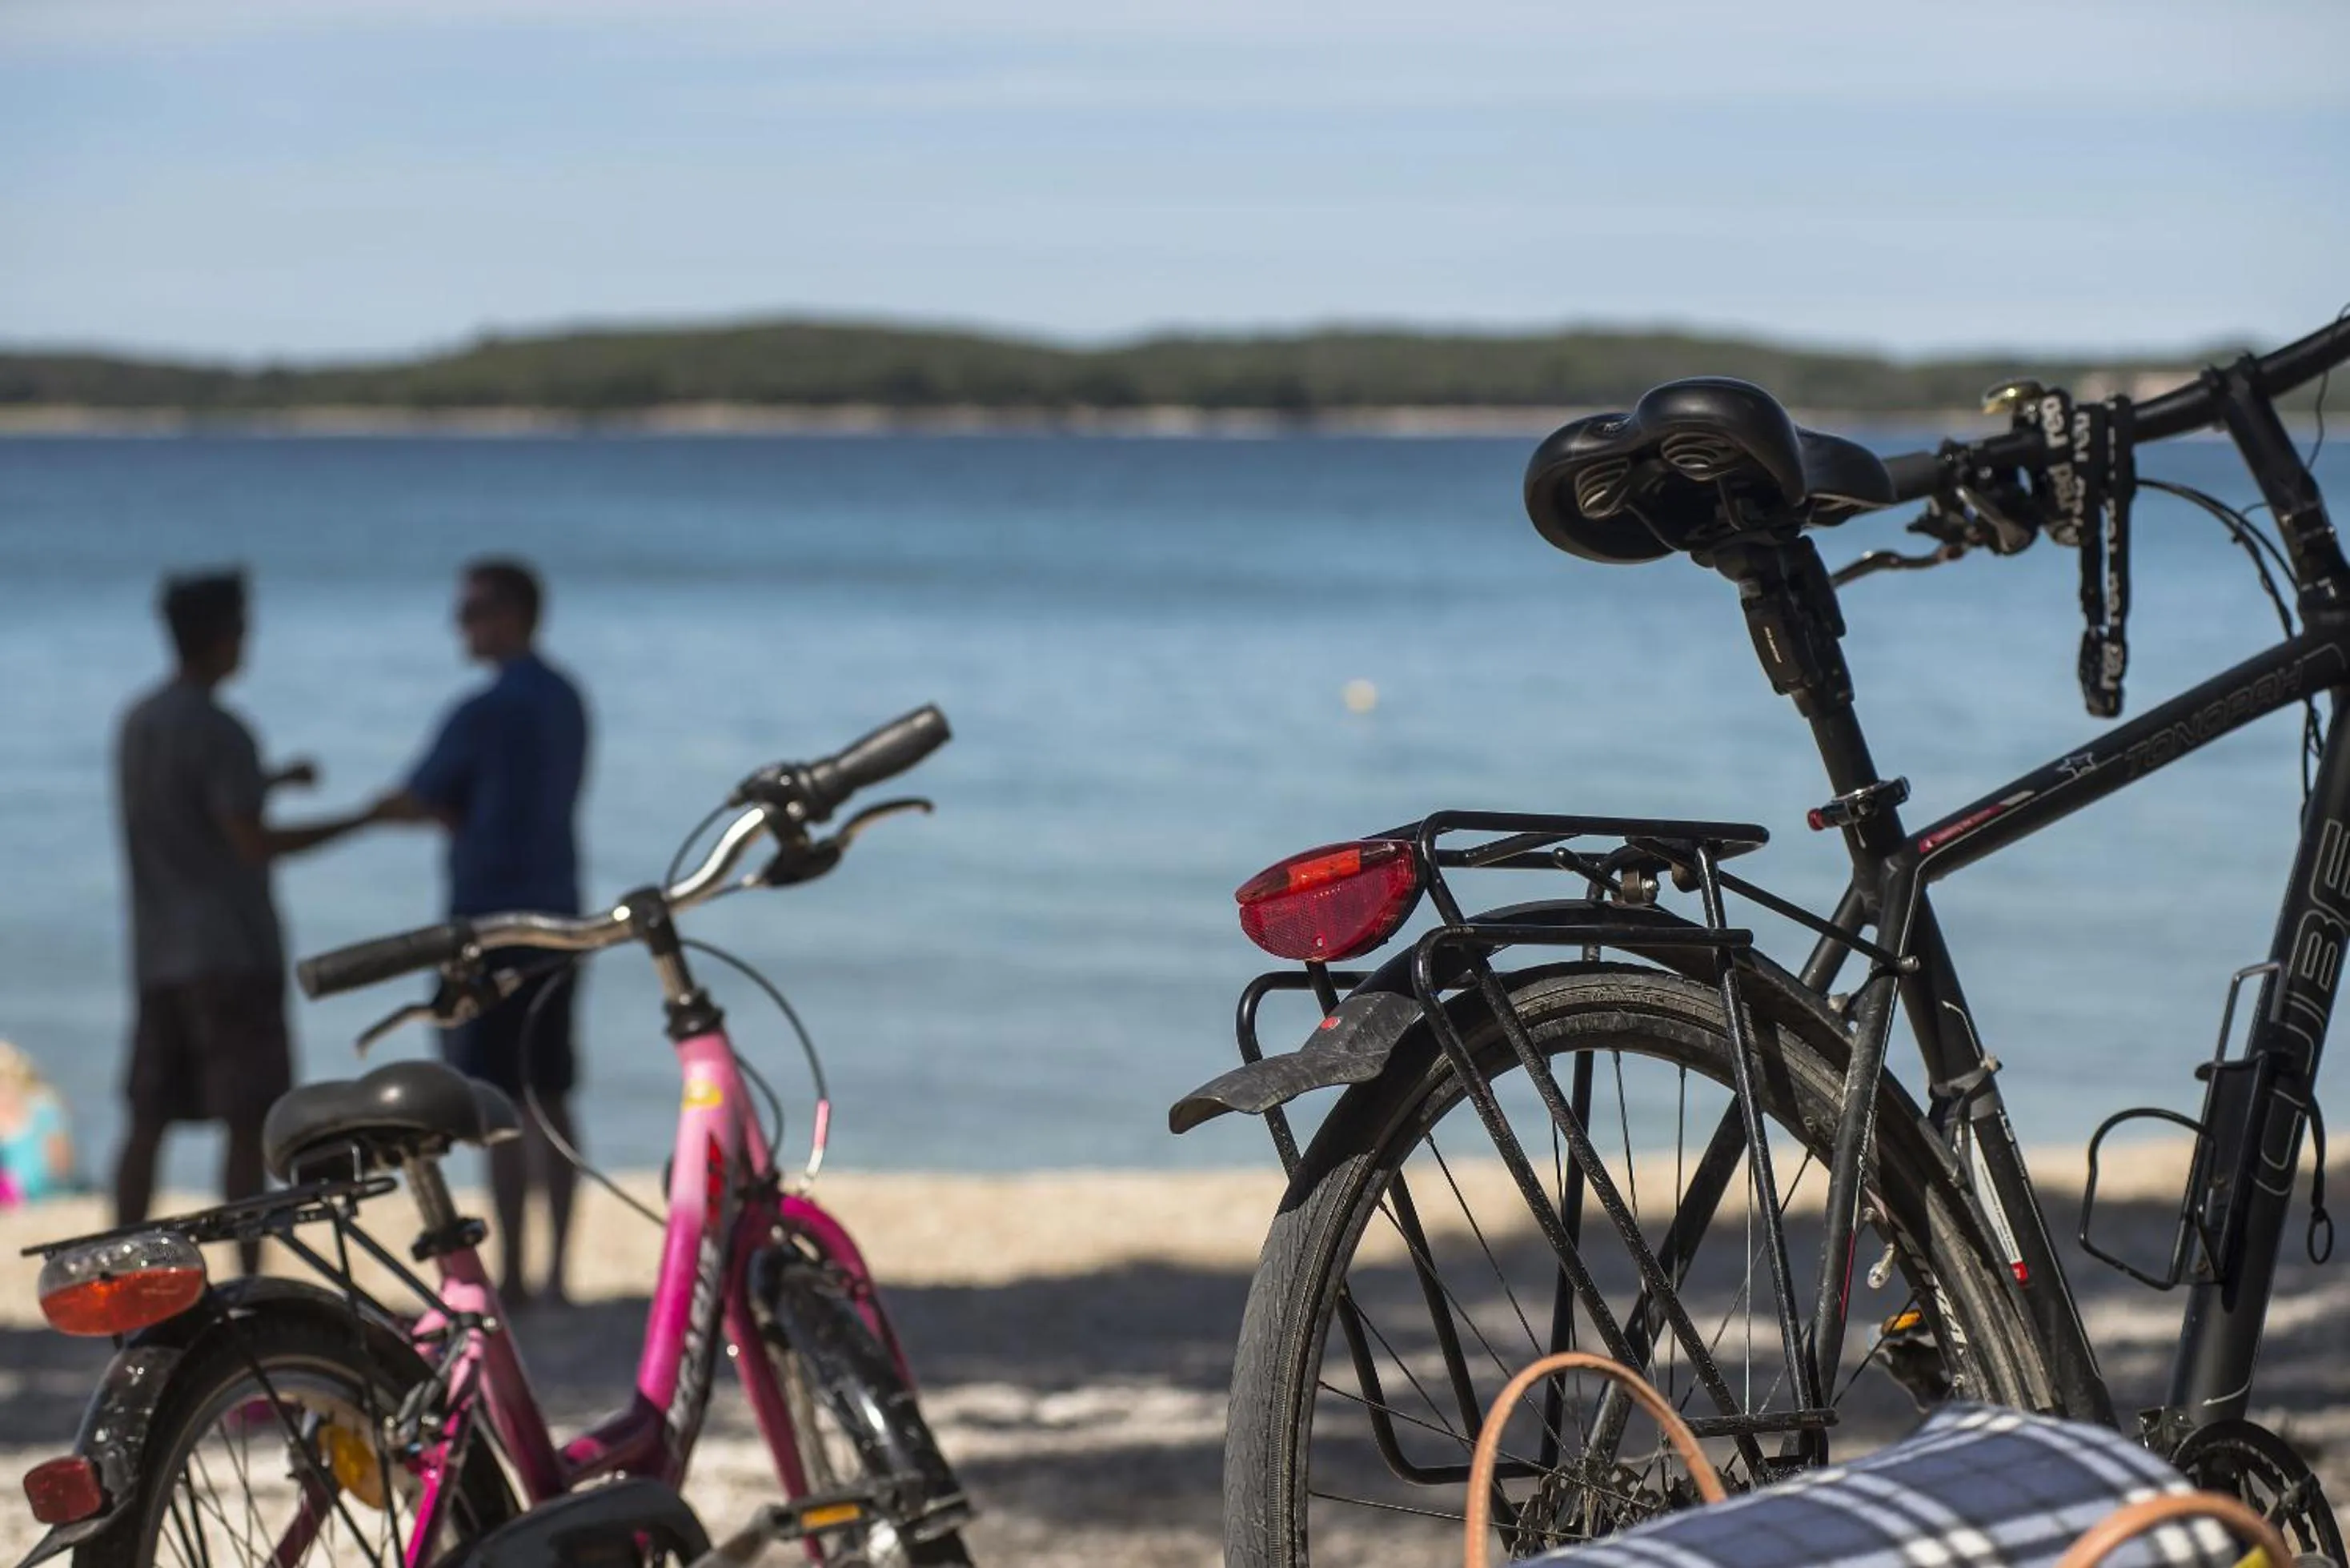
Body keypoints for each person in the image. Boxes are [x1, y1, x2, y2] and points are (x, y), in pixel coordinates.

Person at [115, 570, 383, 1272]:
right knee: (247, 1121)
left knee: (147, 1119)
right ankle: (247, 1274)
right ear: (223, 636)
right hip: (231, 954)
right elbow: (252, 842)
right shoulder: (221, 728)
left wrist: (273, 780)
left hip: (158, 952)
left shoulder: (140, 722)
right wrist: (365, 819)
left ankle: (115, 1269)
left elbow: (192, 803)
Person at [377, 559, 589, 1309]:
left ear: (516, 614)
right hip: (561, 915)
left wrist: (367, 812)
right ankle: (557, 1269)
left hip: (491, 921)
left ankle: (521, 1272)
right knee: (552, 1090)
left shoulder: (486, 709)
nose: (462, 627)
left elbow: (419, 794)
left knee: (497, 1099)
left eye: (474, 612)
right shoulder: (567, 700)